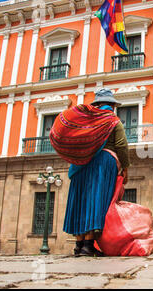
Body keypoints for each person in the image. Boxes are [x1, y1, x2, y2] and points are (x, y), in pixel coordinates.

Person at [62, 88, 130, 257]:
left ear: (96, 105)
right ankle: (88, 245)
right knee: (96, 199)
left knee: (80, 201)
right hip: (103, 162)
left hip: (80, 164)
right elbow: (121, 145)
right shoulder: (113, 121)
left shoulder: (84, 121)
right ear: (111, 106)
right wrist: (126, 167)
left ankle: (78, 246)